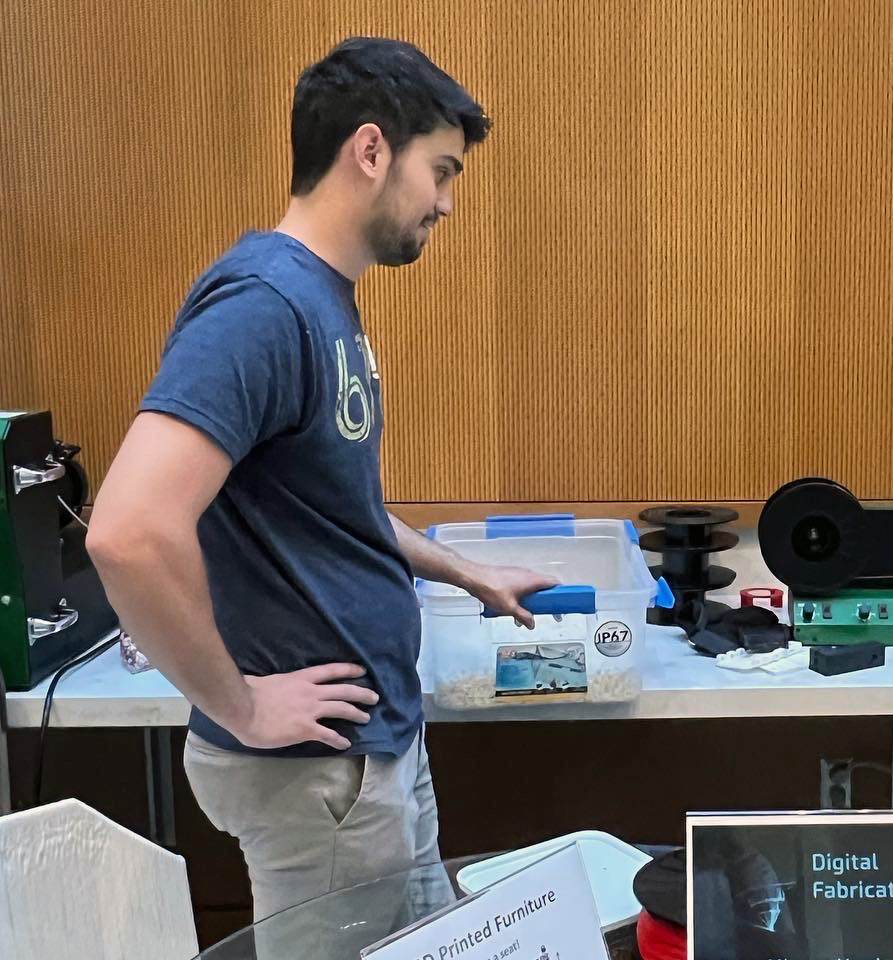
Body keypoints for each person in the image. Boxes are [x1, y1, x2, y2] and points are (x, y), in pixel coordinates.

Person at [87, 37, 558, 923]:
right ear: (371, 151)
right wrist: (240, 704)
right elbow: (128, 531)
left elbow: (336, 511)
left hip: (369, 754)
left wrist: (465, 572)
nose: (448, 203)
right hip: (316, 776)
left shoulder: (321, 300)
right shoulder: (264, 306)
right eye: (441, 171)